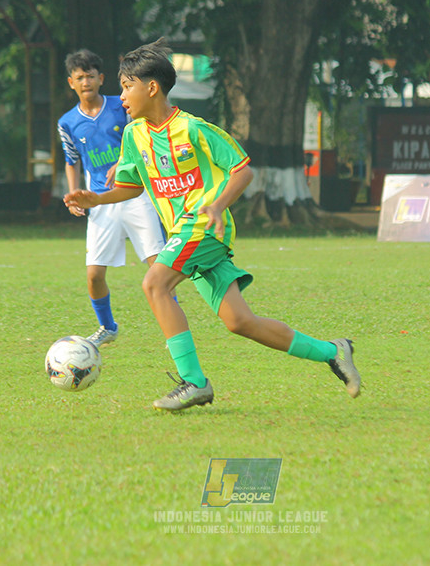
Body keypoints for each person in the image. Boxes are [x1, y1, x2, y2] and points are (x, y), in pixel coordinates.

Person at [64, 38, 361, 411]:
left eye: (127, 87)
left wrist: (218, 204)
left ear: (151, 88)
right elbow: (130, 185)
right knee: (240, 321)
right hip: (184, 234)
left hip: (202, 227)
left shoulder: (194, 129)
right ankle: (333, 352)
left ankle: (194, 382)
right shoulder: (134, 135)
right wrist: (97, 199)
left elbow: (242, 171)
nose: (120, 96)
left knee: (154, 283)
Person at [58, 49, 168, 348]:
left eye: (91, 76)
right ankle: (107, 327)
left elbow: (141, 129)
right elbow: (71, 160)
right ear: (71, 82)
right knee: (94, 275)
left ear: (100, 78)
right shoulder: (67, 122)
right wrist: (74, 196)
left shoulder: (120, 106)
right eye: (79, 78)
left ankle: (172, 321)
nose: (86, 82)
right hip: (100, 201)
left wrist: (123, 160)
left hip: (136, 195)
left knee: (159, 265)